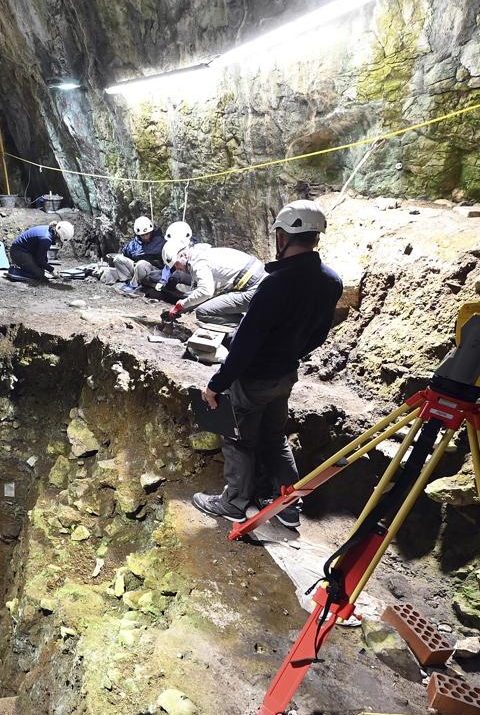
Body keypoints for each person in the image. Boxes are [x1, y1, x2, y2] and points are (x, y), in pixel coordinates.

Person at [192, 200, 343, 526]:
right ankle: (287, 507)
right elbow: (318, 335)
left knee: (238, 440)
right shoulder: (331, 281)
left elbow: (246, 343)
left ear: (283, 237)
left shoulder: (274, 285)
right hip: (286, 374)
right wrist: (288, 355)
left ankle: (234, 503)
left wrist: (216, 384)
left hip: (254, 378)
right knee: (275, 438)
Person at [160, 240, 266, 327]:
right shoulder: (200, 254)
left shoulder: (199, 263)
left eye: (177, 264)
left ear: (183, 255)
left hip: (254, 289)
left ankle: (250, 326)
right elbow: (207, 292)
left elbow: (205, 292)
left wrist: (180, 306)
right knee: (211, 303)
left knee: (203, 312)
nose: (178, 269)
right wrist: (182, 308)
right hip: (258, 283)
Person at [110, 216, 165, 292]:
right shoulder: (134, 244)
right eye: (142, 235)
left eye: (147, 234)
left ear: (151, 232)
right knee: (118, 258)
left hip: (153, 270)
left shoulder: (160, 241)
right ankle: (127, 281)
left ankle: (134, 285)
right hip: (137, 268)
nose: (145, 237)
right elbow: (124, 253)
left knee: (141, 264)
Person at [8, 220, 75, 282]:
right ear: (59, 236)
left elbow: (41, 256)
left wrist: (47, 267)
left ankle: (24, 267)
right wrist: (52, 270)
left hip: (23, 250)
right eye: (60, 241)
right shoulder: (46, 239)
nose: (59, 242)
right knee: (38, 274)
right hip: (18, 252)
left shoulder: (49, 230)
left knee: (41, 267)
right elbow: (39, 260)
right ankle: (14, 271)